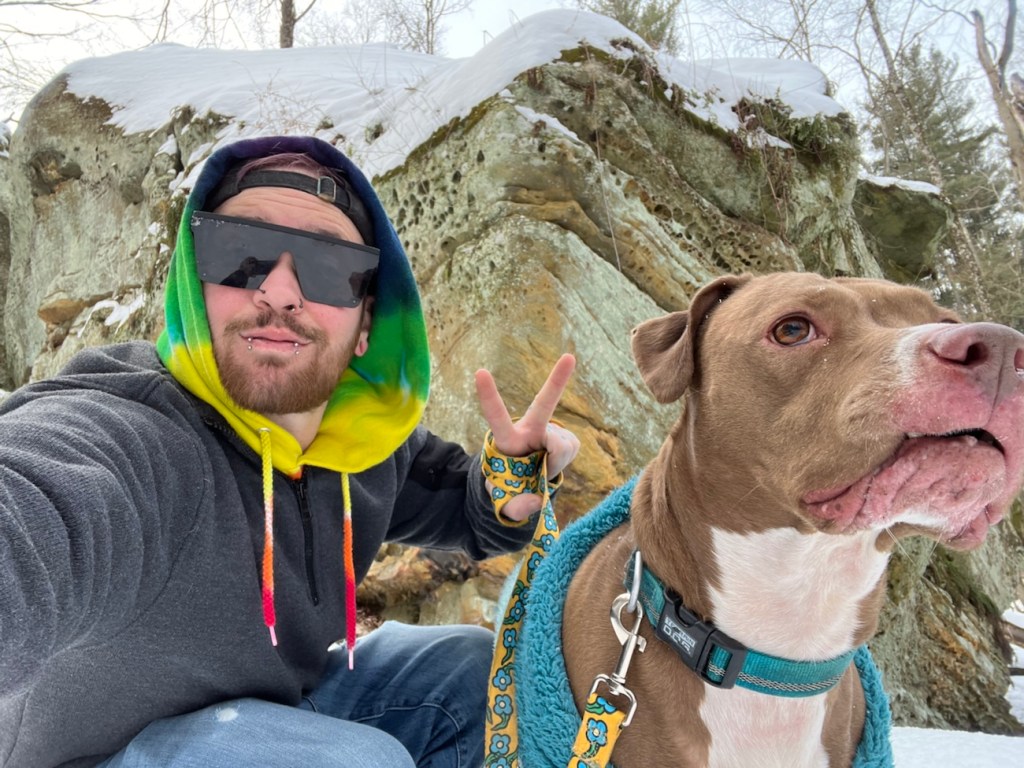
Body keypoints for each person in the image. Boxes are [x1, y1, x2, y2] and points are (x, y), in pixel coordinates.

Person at [0, 135, 579, 768]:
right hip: (94, 754)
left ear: (365, 327)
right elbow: (34, 510)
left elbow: (468, 509)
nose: (278, 291)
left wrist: (511, 478)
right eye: (240, 253)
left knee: (473, 677)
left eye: (328, 267)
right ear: (197, 287)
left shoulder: (363, 445)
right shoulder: (131, 435)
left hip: (275, 712)